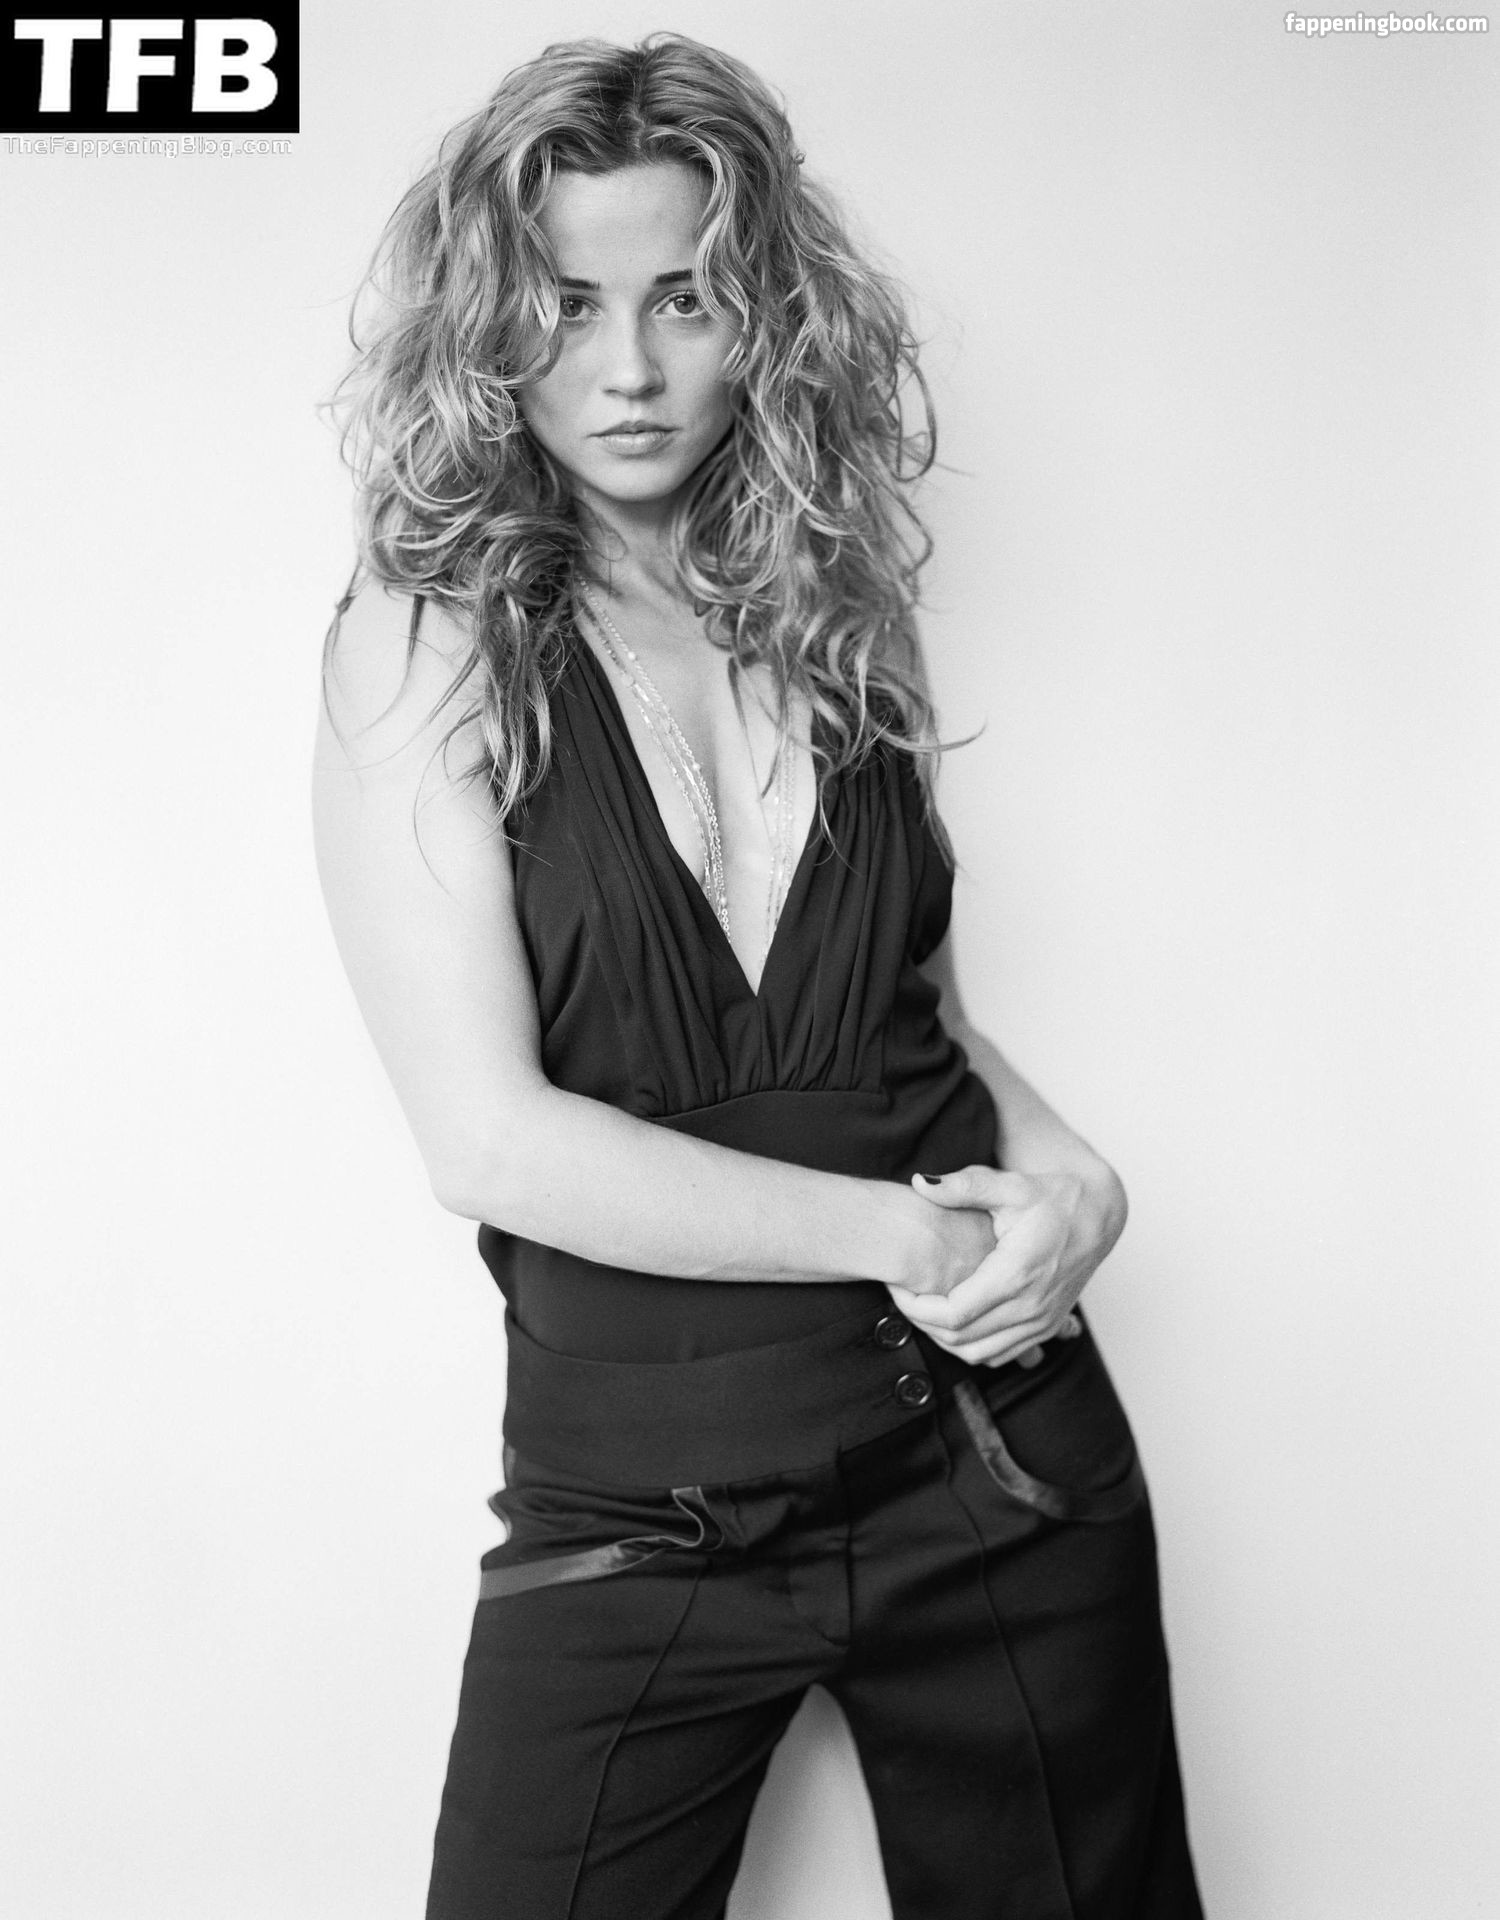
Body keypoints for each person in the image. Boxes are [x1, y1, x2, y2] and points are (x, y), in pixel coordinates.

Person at [312, 32, 1203, 1920]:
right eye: (567, 304)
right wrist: (905, 1233)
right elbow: (492, 1144)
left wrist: (1074, 1181)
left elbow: (919, 1023)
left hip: (999, 1460)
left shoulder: (836, 605)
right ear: (486, 322)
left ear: (765, 315)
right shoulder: (427, 643)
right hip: (641, 1511)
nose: (628, 370)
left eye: (686, 298)